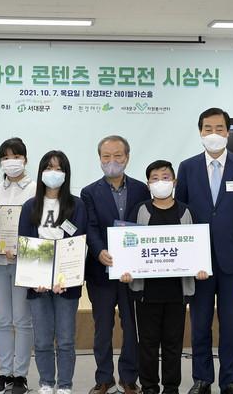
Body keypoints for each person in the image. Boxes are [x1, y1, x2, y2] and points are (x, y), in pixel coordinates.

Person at [175, 107, 233, 394]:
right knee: (199, 324)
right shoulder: (187, 167)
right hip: (198, 261)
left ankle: (230, 379)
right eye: (207, 128)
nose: (213, 134)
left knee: (231, 325)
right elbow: (180, 214)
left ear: (228, 132)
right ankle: (202, 379)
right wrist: (183, 257)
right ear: (200, 132)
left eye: (219, 128)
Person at [119, 160, 208, 394]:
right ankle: (149, 386)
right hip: (146, 292)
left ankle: (171, 387)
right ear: (148, 184)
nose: (160, 182)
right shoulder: (140, 210)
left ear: (174, 182)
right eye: (155, 178)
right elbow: (127, 244)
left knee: (173, 343)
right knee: (147, 343)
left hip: (177, 292)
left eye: (165, 177)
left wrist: (200, 268)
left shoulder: (186, 212)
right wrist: (124, 269)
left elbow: (197, 247)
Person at [80, 135, 150, 394]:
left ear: (127, 158)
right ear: (99, 159)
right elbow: (91, 227)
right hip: (100, 271)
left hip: (132, 272)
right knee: (102, 328)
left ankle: (129, 378)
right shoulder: (89, 192)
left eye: (118, 155)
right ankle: (104, 378)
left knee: (131, 327)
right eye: (106, 156)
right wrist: (99, 251)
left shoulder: (142, 189)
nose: (112, 161)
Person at [18, 150, 87, 394]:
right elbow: (25, 243)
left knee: (66, 339)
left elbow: (78, 242)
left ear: (66, 174)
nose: (53, 173)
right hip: (37, 283)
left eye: (59, 169)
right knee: (43, 339)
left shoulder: (76, 205)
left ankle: (65, 385)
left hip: (67, 283)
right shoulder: (30, 206)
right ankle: (46, 382)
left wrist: (64, 277)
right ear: (41, 173)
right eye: (49, 168)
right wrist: (35, 278)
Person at [0, 138, 36, 394]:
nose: (11, 162)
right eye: (5, 158)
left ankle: (21, 375)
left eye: (16, 156)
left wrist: (23, 248)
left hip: (24, 264)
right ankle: (4, 372)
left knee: (23, 320)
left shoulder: (36, 190)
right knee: (2, 320)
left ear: (25, 159)